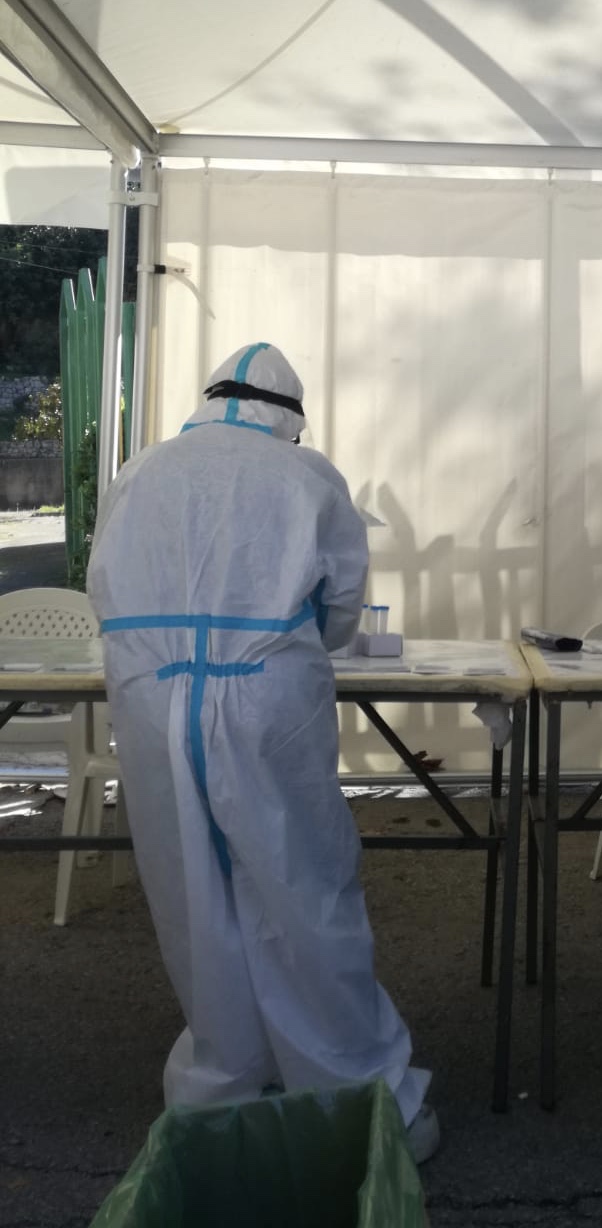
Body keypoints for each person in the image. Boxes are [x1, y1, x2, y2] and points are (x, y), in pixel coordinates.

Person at [87, 343, 438, 1162]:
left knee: (192, 896)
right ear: (288, 416)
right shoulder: (303, 473)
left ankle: (222, 1091)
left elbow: (104, 586)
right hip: (263, 698)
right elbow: (341, 606)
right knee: (302, 888)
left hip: (151, 696)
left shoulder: (140, 471)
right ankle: (360, 1098)